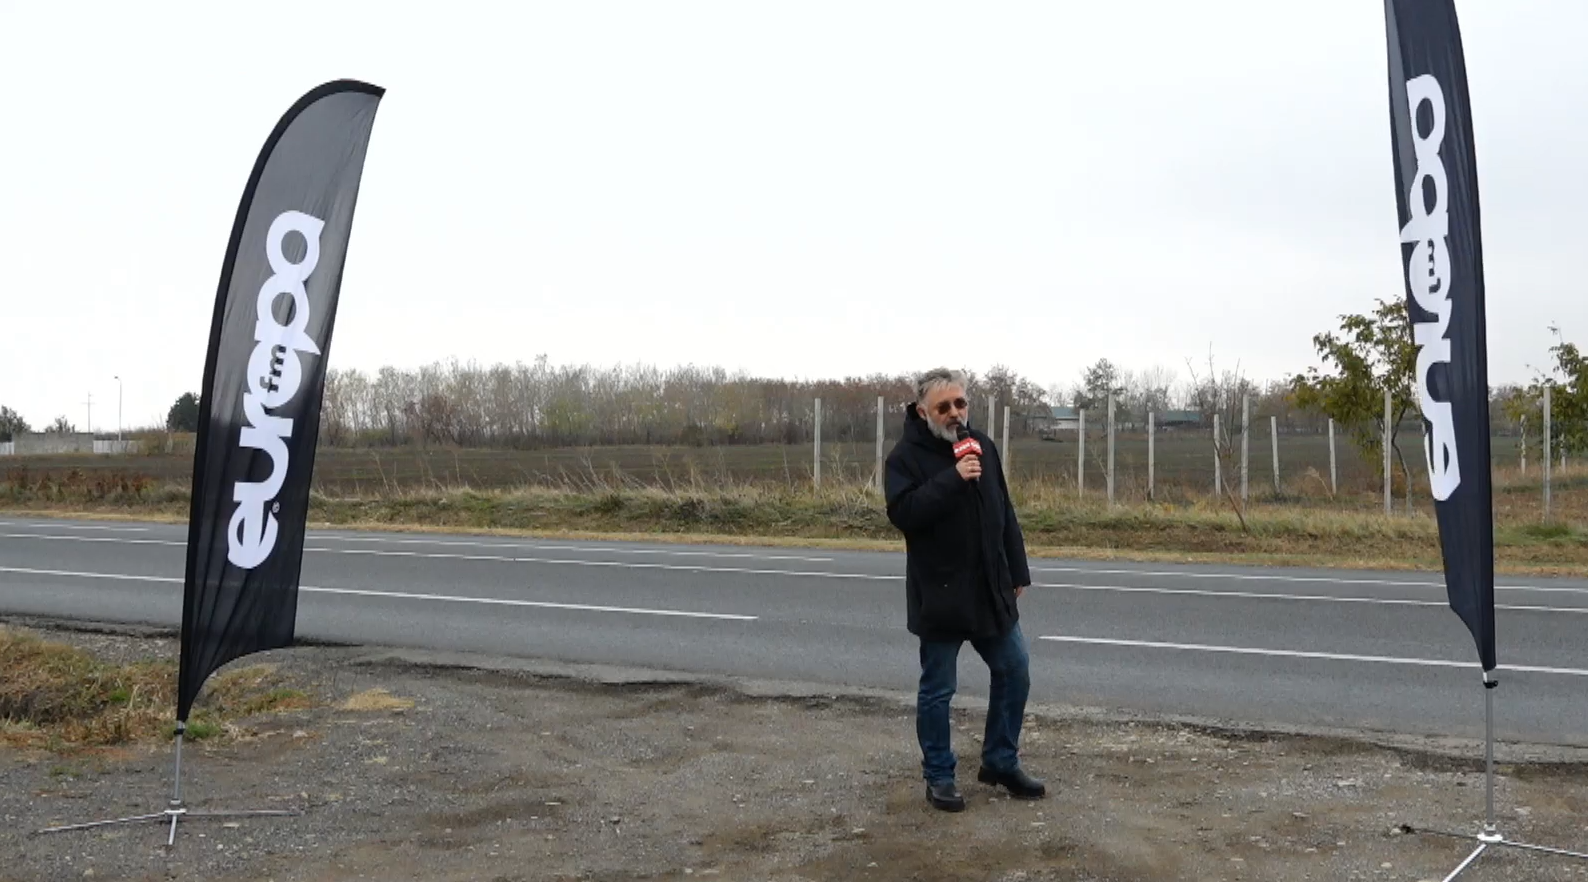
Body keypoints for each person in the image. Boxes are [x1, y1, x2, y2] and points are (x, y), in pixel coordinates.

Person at [884, 367, 1044, 812]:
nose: (955, 413)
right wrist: (953, 478)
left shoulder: (982, 446)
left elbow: (1004, 510)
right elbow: (904, 513)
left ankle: (1000, 761)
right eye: (944, 407)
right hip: (940, 592)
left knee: (1015, 670)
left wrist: (1017, 569)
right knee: (938, 689)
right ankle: (939, 775)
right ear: (923, 412)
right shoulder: (904, 458)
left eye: (960, 403)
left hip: (990, 587)